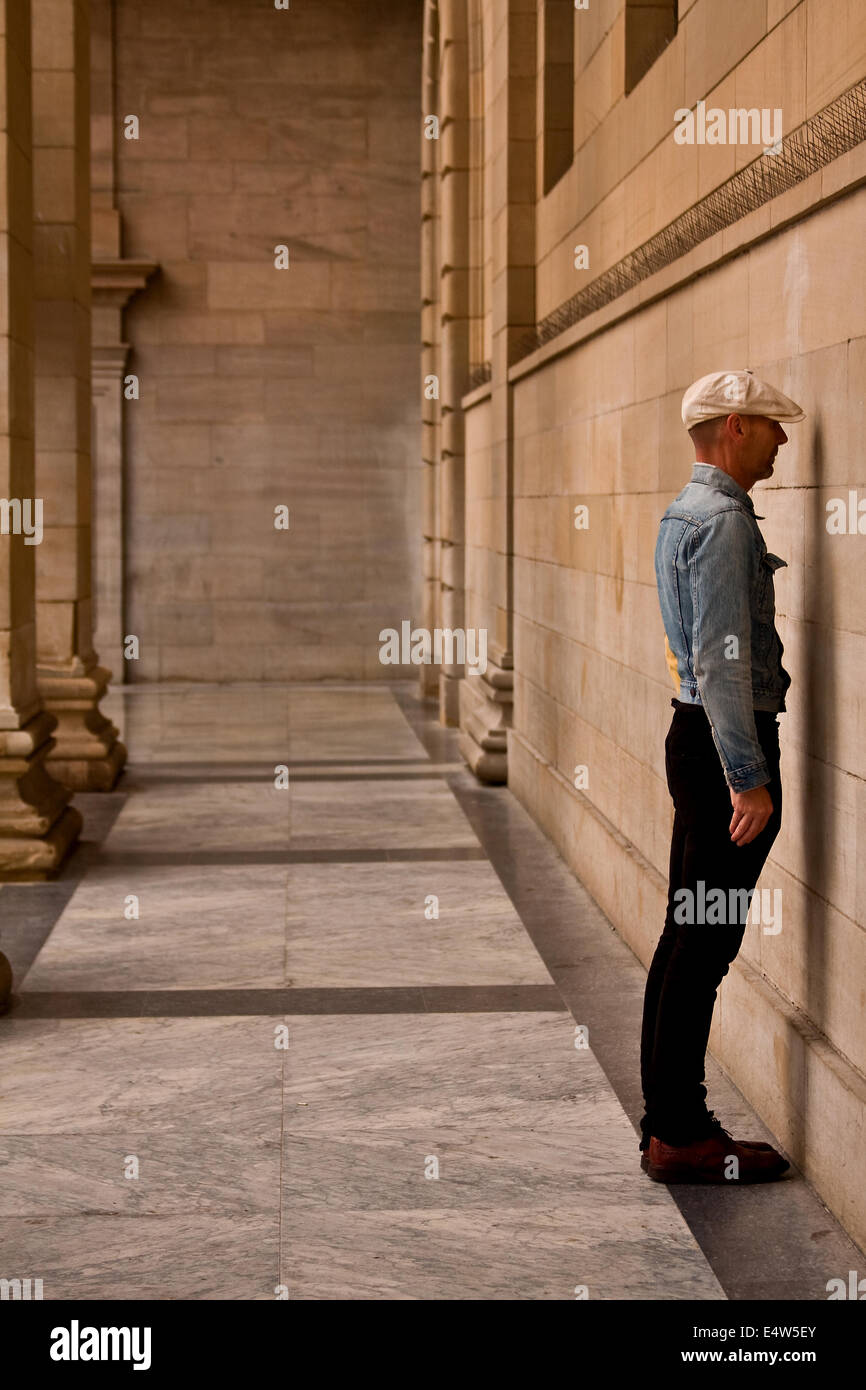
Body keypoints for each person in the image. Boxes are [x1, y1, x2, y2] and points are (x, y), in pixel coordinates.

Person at [640, 369, 805, 1184]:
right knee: (703, 943)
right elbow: (720, 658)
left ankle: (668, 1122)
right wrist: (748, 777)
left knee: (685, 937)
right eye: (773, 425)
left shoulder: (683, 513)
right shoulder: (727, 522)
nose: (784, 440)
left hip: (695, 736)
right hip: (722, 748)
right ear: (735, 425)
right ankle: (680, 1132)